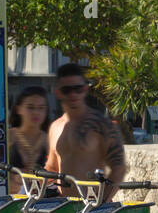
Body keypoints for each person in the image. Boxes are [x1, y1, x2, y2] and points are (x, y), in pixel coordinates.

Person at [45, 63, 127, 201]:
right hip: (65, 210)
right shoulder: (55, 127)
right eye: (67, 90)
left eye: (78, 88)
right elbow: (52, 168)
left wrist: (102, 202)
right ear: (58, 92)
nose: (73, 94)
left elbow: (119, 168)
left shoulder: (101, 124)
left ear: (85, 89)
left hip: (93, 210)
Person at [8, 86, 51, 193]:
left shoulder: (50, 140)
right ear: (19, 109)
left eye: (41, 108)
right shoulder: (9, 136)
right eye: (30, 107)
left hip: (41, 201)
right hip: (10, 200)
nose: (36, 112)